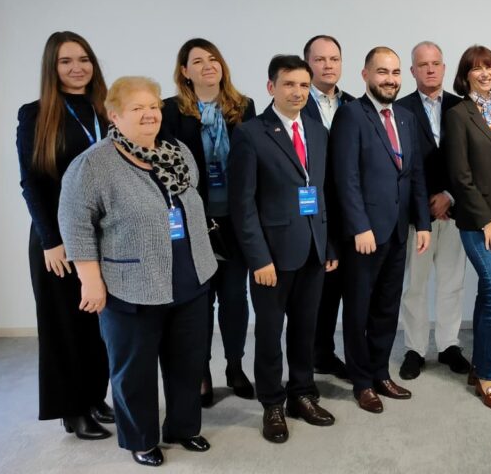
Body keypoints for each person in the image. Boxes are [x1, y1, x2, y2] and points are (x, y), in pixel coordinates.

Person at [59, 76, 217, 467]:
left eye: (153, 106)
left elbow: (189, 203)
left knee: (188, 361)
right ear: (114, 116)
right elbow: (75, 224)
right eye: (137, 108)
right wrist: (90, 280)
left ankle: (183, 427)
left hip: (190, 277)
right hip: (130, 285)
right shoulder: (93, 164)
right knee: (134, 371)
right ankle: (141, 439)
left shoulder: (177, 151)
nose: (149, 114)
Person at [229, 55, 337, 443]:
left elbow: (323, 193)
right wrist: (258, 257)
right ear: (271, 87)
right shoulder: (251, 134)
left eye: (304, 85)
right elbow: (243, 204)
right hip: (271, 258)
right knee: (270, 333)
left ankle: (302, 394)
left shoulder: (317, 130)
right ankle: (272, 403)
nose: (297, 92)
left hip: (312, 249)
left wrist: (328, 244)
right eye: (289, 84)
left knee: (306, 330)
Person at [16, 31, 113, 440]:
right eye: (66, 61)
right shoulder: (35, 114)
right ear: (52, 68)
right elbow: (30, 183)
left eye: (84, 59)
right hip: (58, 240)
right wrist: (51, 240)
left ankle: (93, 396)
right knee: (64, 327)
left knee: (99, 326)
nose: (77, 68)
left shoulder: (105, 110)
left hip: (105, 236)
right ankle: (71, 410)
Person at [331, 47, 431, 414]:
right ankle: (361, 382)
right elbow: (346, 177)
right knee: (359, 309)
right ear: (365, 75)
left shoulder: (405, 117)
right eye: (381, 72)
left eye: (394, 73)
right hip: (365, 235)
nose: (389, 79)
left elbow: (416, 174)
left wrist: (422, 222)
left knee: (387, 307)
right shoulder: (350, 116)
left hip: (399, 231)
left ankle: (380, 372)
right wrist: (359, 226)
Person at [161, 38, 256, 407]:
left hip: (234, 221)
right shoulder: (170, 111)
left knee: (235, 299)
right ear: (185, 72)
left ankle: (235, 366)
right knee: (199, 303)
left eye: (213, 59)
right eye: (197, 61)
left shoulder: (243, 107)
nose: (207, 66)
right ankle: (201, 370)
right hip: (193, 222)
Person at [443, 45, 491, 410]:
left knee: (488, 296)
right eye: (477, 68)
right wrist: (487, 220)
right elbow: (460, 177)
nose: (485, 73)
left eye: (489, 66)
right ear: (466, 75)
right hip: (479, 223)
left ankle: (480, 367)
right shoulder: (458, 115)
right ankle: (487, 377)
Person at [396, 41, 470, 380]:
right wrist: (424, 201)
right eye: (422, 64)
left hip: (455, 211)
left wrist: (450, 196)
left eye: (436, 63)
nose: (430, 69)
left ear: (444, 67)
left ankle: (448, 345)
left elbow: (472, 161)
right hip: (417, 215)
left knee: (452, 282)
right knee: (415, 284)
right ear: (412, 71)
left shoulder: (463, 107)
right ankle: (414, 348)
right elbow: (400, 166)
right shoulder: (399, 111)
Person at [302, 34, 356, 381]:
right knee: (310, 293)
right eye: (320, 59)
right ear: (308, 63)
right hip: (308, 211)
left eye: (334, 59)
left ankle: (324, 353)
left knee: (337, 288)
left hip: (346, 211)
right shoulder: (294, 102)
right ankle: (303, 363)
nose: (328, 65)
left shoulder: (352, 104)